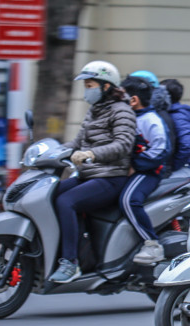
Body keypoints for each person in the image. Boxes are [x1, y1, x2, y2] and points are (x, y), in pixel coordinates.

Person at [49, 61, 136, 283]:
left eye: (90, 85)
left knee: (66, 201)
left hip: (111, 178)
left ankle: (71, 263)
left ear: (106, 86)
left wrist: (91, 154)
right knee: (50, 193)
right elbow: (77, 142)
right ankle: (62, 250)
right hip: (88, 175)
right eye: (86, 86)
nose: (87, 91)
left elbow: (123, 144)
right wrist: (52, 152)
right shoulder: (94, 111)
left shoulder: (122, 111)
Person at [119, 76, 170, 264]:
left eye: (122, 96)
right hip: (132, 169)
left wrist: (136, 165)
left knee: (129, 200)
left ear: (133, 100)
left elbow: (161, 151)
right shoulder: (128, 117)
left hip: (148, 172)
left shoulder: (151, 120)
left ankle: (152, 244)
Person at [161, 78, 190, 177]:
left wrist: (173, 166)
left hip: (184, 169)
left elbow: (186, 145)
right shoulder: (172, 113)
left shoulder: (178, 117)